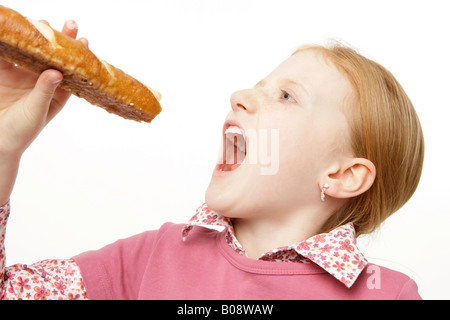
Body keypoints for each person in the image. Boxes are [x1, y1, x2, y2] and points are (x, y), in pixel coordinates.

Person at [0, 19, 424, 300]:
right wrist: (4, 148)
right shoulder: (154, 256)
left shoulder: (387, 294)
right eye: (259, 85)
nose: (239, 95)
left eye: (286, 96)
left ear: (343, 175)